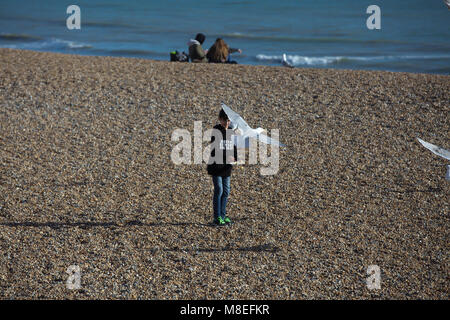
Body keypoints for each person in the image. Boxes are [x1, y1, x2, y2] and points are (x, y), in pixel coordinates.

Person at [207, 109, 238, 226]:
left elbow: (233, 146)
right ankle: (217, 217)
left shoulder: (230, 131)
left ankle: (223, 216)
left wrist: (235, 157)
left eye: (229, 120)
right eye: (225, 120)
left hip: (226, 167)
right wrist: (228, 156)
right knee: (219, 190)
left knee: (226, 191)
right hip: (216, 165)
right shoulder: (216, 131)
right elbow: (216, 149)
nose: (227, 123)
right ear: (220, 119)